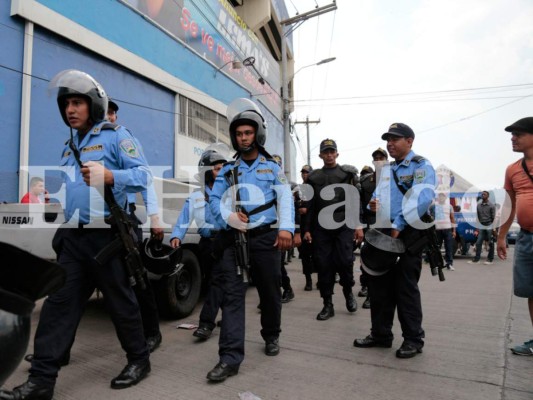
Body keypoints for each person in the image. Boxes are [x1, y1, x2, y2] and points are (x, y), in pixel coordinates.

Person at [0, 70, 152, 400]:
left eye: (78, 102)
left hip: (107, 238)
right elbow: (73, 189)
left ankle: (139, 360)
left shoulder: (115, 136)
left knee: (121, 303)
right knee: (58, 305)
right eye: (67, 103)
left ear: (93, 105)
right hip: (74, 238)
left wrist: (111, 175)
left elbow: (143, 177)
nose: (70, 109)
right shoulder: (70, 147)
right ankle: (42, 380)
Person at [206, 100, 294, 382]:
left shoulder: (271, 168)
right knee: (232, 296)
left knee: (270, 292)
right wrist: (228, 219)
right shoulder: (229, 171)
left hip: (267, 238)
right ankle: (230, 358)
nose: (243, 138)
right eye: (239, 134)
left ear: (257, 134)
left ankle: (271, 335)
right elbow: (213, 204)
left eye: (248, 132)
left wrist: (286, 229)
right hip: (236, 239)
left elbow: (285, 198)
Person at [354, 122, 436, 359]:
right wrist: (373, 203)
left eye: (395, 139)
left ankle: (413, 339)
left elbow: (421, 199)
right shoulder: (387, 170)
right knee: (379, 287)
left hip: (408, 232)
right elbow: (379, 194)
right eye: (387, 140)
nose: (390, 144)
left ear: (409, 141)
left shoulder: (421, 165)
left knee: (405, 289)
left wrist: (399, 224)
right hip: (384, 231)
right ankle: (381, 335)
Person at [302, 138, 364, 321]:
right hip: (321, 228)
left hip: (343, 225)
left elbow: (354, 201)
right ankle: (327, 304)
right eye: (325, 152)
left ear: (337, 154)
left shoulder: (346, 174)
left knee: (345, 262)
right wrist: (306, 229)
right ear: (320, 155)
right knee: (323, 265)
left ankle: (348, 294)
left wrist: (358, 226)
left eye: (332, 151)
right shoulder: (313, 178)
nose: (329, 155)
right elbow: (309, 206)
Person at [169, 148, 227, 340]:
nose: (222, 173)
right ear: (207, 172)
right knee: (213, 282)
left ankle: (208, 323)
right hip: (207, 245)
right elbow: (184, 218)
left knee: (223, 282)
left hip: (226, 242)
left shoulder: (231, 194)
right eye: (218, 169)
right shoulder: (196, 196)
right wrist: (177, 235)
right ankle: (219, 319)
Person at [497, 117, 533, 356]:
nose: (513, 138)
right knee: (530, 292)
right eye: (512, 134)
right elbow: (508, 205)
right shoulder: (512, 169)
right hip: (526, 239)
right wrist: (501, 236)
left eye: (518, 134)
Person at [358, 147, 390, 309]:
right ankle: (370, 294)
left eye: (381, 157)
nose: (378, 160)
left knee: (385, 262)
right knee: (368, 262)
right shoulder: (365, 181)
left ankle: (383, 293)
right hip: (369, 226)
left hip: (387, 227)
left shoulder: (393, 179)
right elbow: (359, 206)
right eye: (376, 158)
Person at [297, 165, 315, 291]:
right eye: (303, 172)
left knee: (318, 254)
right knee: (304, 255)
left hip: (315, 226)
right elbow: (293, 204)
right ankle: (308, 280)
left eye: (307, 172)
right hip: (302, 225)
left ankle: (322, 279)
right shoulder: (298, 189)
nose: (305, 174)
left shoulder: (316, 188)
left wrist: (308, 209)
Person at [468, 190, 496, 265]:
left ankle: (490, 259)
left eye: (484, 194)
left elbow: (494, 218)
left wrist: (494, 228)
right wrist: (477, 228)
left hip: (489, 224)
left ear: (488, 196)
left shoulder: (491, 205)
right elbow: (477, 217)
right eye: (482, 194)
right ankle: (477, 259)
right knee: (478, 242)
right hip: (481, 225)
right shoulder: (478, 205)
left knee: (490, 242)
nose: (483, 195)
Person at [432, 190, 456, 271]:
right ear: (438, 198)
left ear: (445, 198)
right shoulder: (434, 206)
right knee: (436, 248)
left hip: (447, 229)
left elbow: (452, 218)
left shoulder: (449, 206)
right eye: (440, 196)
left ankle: (449, 264)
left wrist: (454, 231)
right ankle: (436, 264)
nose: (441, 198)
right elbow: (430, 216)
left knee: (449, 247)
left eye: (443, 196)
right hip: (437, 230)